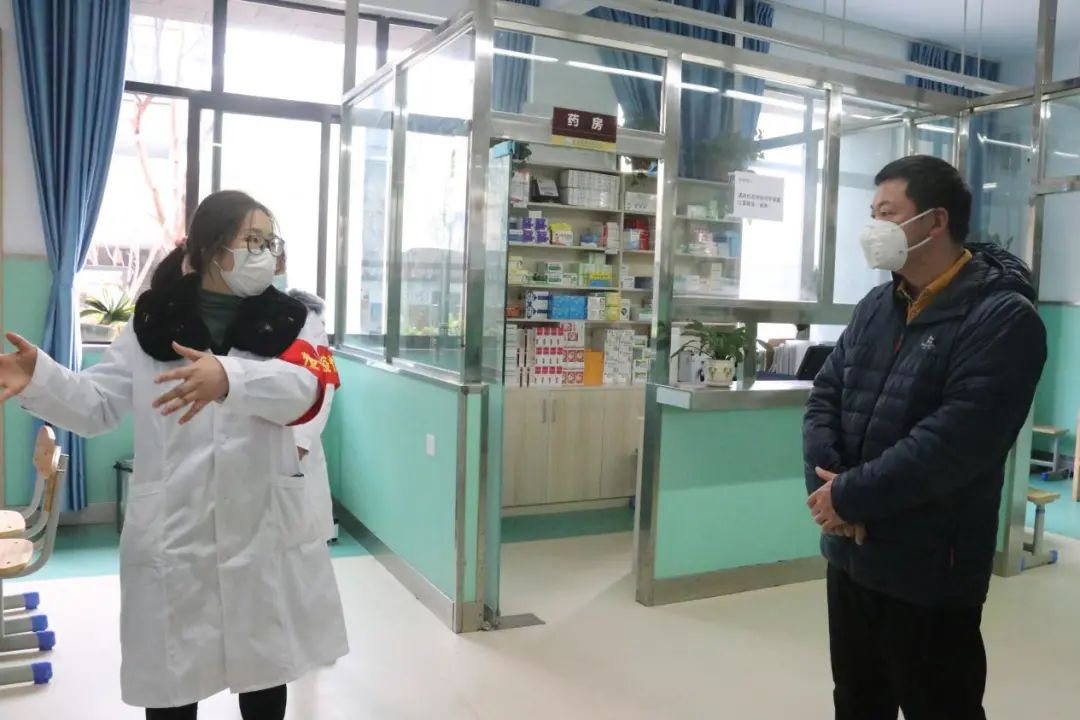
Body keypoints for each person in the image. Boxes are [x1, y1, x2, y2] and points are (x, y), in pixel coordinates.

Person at [0, 191, 349, 718]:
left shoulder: (293, 319)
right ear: (211, 248)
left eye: (269, 242)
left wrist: (229, 377)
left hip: (260, 523)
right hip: (175, 530)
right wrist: (41, 378)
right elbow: (98, 406)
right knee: (172, 683)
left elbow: (308, 391)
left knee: (264, 671)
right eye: (252, 240)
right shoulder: (153, 323)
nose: (265, 254)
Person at [803, 155, 1047, 720]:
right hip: (852, 556)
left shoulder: (1003, 319)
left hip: (931, 567)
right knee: (857, 700)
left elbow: (954, 443)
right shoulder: (877, 305)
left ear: (935, 221)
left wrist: (849, 497)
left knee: (940, 706)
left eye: (887, 213)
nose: (874, 227)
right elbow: (824, 396)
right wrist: (831, 498)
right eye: (872, 213)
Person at [274, 254, 336, 543]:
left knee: (299, 538)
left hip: (294, 443)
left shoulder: (305, 318)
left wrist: (301, 440)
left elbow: (322, 385)